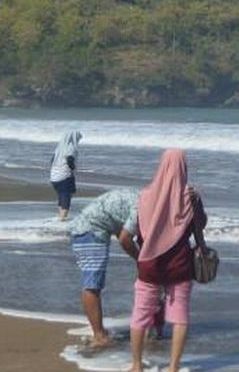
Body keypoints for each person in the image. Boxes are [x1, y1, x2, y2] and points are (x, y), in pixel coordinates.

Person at [130, 149, 207, 372]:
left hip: (149, 263)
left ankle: (136, 365)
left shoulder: (145, 195)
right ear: (184, 168)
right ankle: (173, 367)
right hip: (180, 264)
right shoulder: (190, 197)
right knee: (180, 315)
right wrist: (196, 203)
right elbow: (200, 225)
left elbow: (138, 229)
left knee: (140, 314)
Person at [67, 187, 142, 349]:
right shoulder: (140, 207)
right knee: (92, 284)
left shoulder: (141, 197)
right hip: (88, 231)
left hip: (89, 226)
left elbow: (118, 221)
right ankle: (99, 335)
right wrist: (140, 259)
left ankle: (99, 331)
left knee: (94, 283)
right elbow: (124, 239)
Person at [51, 130, 83, 220]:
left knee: (61, 195)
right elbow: (70, 159)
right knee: (66, 196)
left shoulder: (59, 148)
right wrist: (73, 168)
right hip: (64, 176)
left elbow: (52, 161)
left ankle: (60, 215)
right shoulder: (71, 147)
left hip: (54, 176)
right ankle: (63, 217)